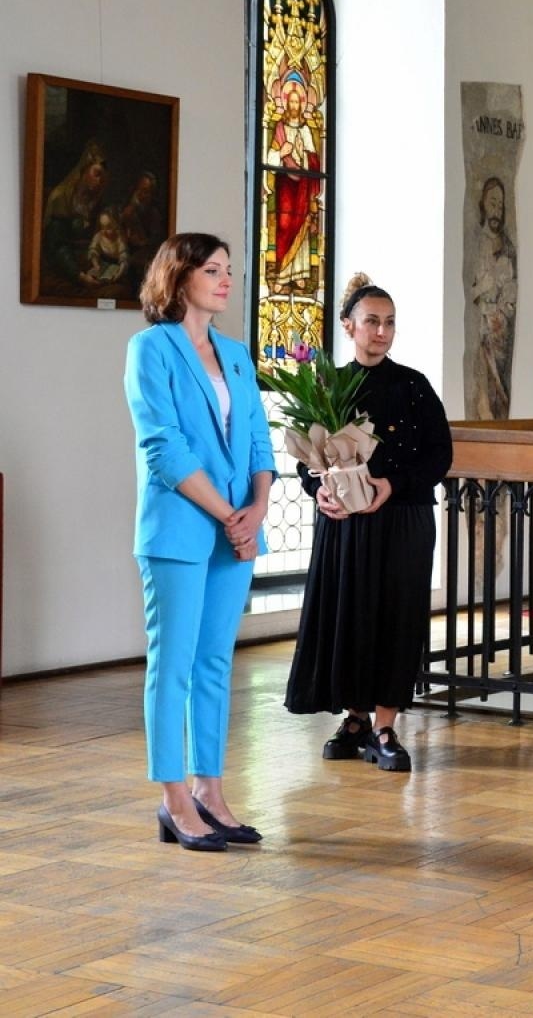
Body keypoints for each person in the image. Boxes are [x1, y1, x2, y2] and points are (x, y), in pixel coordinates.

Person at [124, 232, 275, 851]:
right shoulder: (150, 349)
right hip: (181, 530)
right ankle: (174, 800)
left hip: (236, 529)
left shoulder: (236, 354)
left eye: (229, 271)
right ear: (179, 277)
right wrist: (227, 514)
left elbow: (260, 439)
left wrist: (258, 507)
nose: (225, 279)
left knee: (216, 664)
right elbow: (163, 446)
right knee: (173, 666)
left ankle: (211, 789)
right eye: (212, 269)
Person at [285, 273, 453, 771]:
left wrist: (390, 486)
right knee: (349, 618)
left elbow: (439, 456)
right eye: (372, 322)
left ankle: (385, 726)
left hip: (403, 521)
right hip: (345, 527)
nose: (382, 331)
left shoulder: (414, 387)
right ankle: (355, 718)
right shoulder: (327, 385)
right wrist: (321, 492)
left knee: (396, 619)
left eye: (390, 323)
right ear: (348, 326)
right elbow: (306, 460)